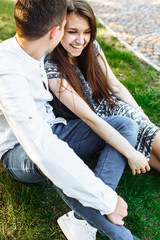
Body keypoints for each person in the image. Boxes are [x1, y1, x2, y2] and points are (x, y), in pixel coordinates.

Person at [0, 1, 149, 240]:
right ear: (55, 33)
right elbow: (42, 150)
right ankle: (123, 237)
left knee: (125, 125)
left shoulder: (36, 48)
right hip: (20, 153)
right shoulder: (7, 73)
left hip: (57, 129)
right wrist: (107, 200)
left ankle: (80, 220)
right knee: (55, 161)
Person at [44, 0, 160, 239]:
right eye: (72, 31)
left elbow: (115, 86)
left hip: (116, 109)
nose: (81, 40)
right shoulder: (52, 67)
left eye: (87, 32)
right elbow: (90, 119)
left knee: (154, 146)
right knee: (152, 155)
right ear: (58, 30)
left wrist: (141, 115)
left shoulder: (92, 48)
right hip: (100, 123)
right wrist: (130, 152)